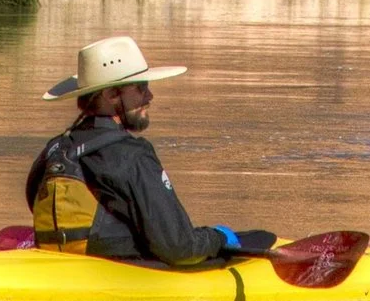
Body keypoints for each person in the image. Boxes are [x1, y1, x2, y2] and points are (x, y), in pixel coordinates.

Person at [25, 35, 275, 265]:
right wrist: (218, 238)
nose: (150, 96)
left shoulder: (56, 149)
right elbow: (178, 247)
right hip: (116, 270)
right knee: (262, 238)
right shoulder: (131, 154)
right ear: (112, 94)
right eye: (141, 87)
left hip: (64, 261)